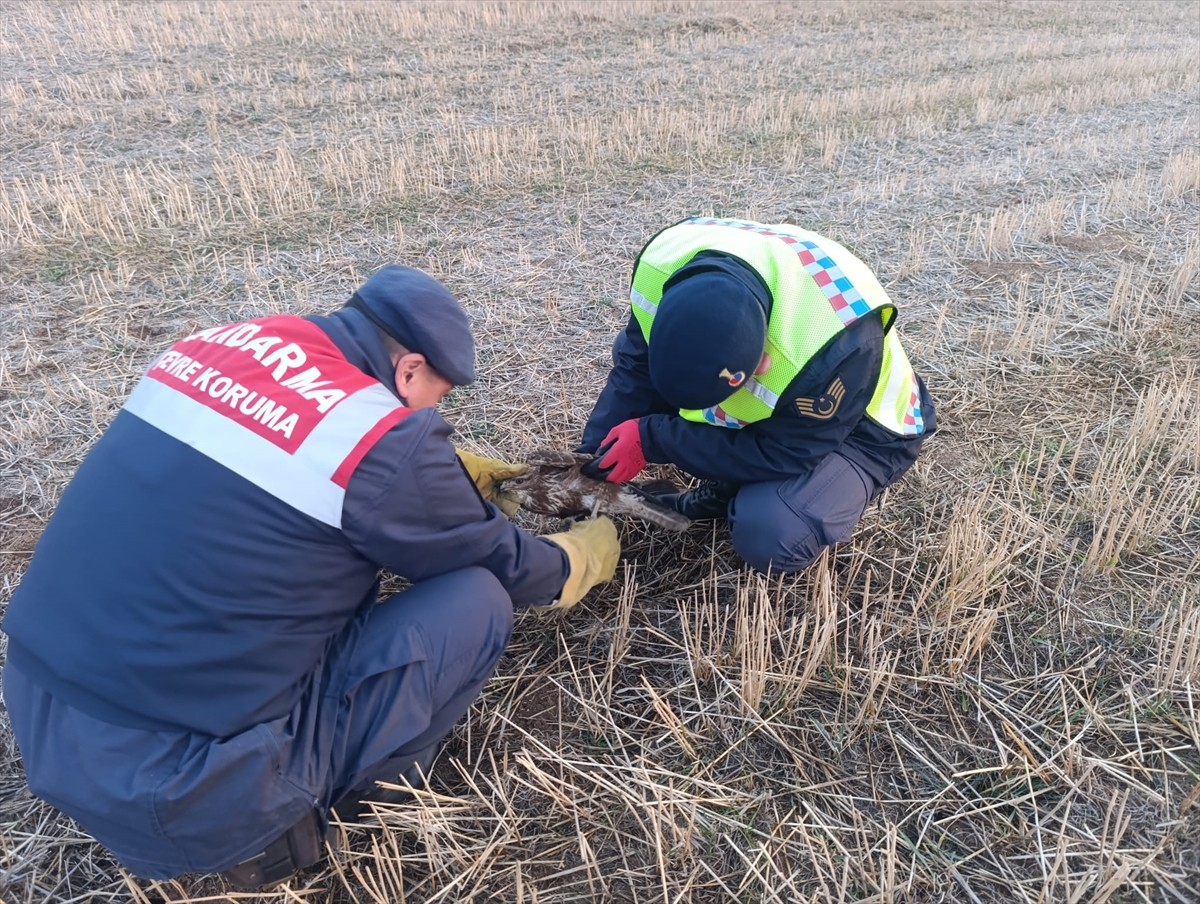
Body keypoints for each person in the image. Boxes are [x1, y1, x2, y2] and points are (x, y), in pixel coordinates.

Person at [0, 265, 620, 889]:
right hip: (183, 790)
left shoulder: (209, 348)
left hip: (41, 711)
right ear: (408, 370)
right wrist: (581, 555)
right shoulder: (384, 442)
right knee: (476, 599)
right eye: (442, 391)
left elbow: (269, 460)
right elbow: (504, 566)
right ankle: (301, 819)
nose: (441, 408)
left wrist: (444, 475)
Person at [579, 216, 937, 574]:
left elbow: (784, 451)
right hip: (790, 401)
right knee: (631, 354)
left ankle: (754, 492)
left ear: (763, 361)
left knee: (771, 531)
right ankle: (734, 479)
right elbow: (636, 369)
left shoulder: (837, 337)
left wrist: (653, 439)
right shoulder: (663, 260)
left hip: (865, 429)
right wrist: (590, 459)